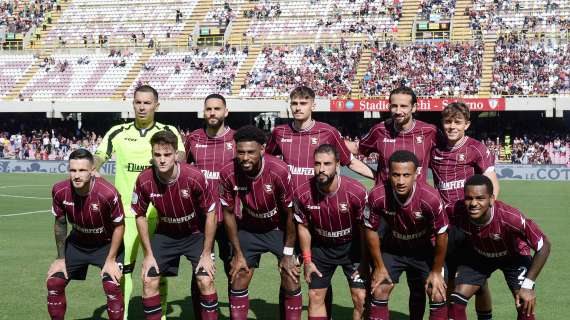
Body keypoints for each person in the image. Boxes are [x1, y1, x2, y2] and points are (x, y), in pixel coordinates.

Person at [266, 85, 374, 316]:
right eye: (294, 103)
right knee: (289, 272)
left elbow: (349, 161)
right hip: (291, 218)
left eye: (303, 103)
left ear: (313, 106)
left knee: (321, 276)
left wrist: (378, 177)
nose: (298, 108)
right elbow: (266, 161)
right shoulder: (279, 133)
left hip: (322, 215)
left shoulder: (328, 132)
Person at [94, 85, 186, 318]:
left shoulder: (169, 131)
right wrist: (93, 168)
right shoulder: (118, 131)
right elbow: (100, 155)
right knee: (122, 271)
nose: (142, 107)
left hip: (161, 214)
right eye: (138, 102)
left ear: (156, 105)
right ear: (132, 104)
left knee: (157, 270)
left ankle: (160, 316)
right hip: (126, 214)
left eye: (147, 102)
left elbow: (182, 157)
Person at [347, 86, 438, 318]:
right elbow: (358, 150)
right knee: (377, 276)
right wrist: (375, 177)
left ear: (414, 108)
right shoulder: (379, 130)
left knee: (418, 284)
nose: (398, 111)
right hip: (383, 212)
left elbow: (446, 156)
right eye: (394, 106)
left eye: (403, 106)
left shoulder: (430, 132)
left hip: (416, 212)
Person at [132, 131, 219, 320]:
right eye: (157, 155)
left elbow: (211, 212)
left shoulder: (194, 176)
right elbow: (139, 215)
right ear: (152, 155)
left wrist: (206, 253)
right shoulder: (144, 179)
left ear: (176, 155)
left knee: (205, 279)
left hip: (195, 234)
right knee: (149, 278)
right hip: (166, 235)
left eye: (167, 154)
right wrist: (147, 255)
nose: (162, 160)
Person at [219, 125, 302, 320]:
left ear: (262, 150)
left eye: (251, 152)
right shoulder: (227, 172)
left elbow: (291, 214)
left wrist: (288, 253)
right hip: (249, 229)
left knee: (291, 276)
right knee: (239, 275)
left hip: (279, 229)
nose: (245, 158)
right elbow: (229, 214)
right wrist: (238, 254)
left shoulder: (279, 171)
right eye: (241, 152)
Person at [430, 102, 499, 319]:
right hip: (445, 228)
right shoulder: (435, 149)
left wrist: (488, 214)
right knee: (448, 278)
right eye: (448, 121)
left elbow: (492, 183)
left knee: (477, 281)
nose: (452, 126)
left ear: (466, 124)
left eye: (457, 122)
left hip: (470, 226)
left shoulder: (476, 148)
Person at [447, 175, 551, 320]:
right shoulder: (455, 210)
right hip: (480, 256)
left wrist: (528, 285)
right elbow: (436, 217)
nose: (473, 203)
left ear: (491, 199)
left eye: (480, 198)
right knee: (456, 301)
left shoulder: (510, 217)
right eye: (469, 198)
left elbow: (544, 245)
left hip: (514, 258)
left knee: (524, 303)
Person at [364, 150, 449, 320]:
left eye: (406, 175)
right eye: (396, 175)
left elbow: (442, 234)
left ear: (416, 174)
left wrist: (436, 270)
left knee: (437, 291)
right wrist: (379, 267)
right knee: (380, 287)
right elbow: (370, 229)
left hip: (424, 249)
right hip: (393, 248)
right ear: (388, 174)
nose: (401, 181)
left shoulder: (430, 197)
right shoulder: (377, 195)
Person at [47, 149, 126, 320]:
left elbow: (119, 226)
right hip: (77, 245)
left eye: (82, 170)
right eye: (73, 170)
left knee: (112, 287)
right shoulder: (59, 190)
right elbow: (60, 224)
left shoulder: (108, 193)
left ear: (92, 171)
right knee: (54, 283)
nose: (77, 175)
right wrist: (61, 258)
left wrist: (111, 259)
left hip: (106, 246)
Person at [294, 144, 368, 320]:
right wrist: (307, 261)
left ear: (337, 165)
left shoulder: (356, 192)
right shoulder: (302, 193)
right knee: (315, 297)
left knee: (361, 298)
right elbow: (303, 228)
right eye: (317, 164)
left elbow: (365, 230)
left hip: (353, 248)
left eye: (327, 164)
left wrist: (366, 261)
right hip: (322, 248)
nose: (321, 169)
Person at [185, 93, 235, 319]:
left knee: (234, 270)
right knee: (200, 273)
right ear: (203, 112)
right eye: (208, 109)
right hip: (199, 218)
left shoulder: (236, 139)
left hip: (229, 218)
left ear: (226, 112)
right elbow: (181, 171)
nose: (212, 113)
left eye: (217, 109)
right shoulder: (193, 138)